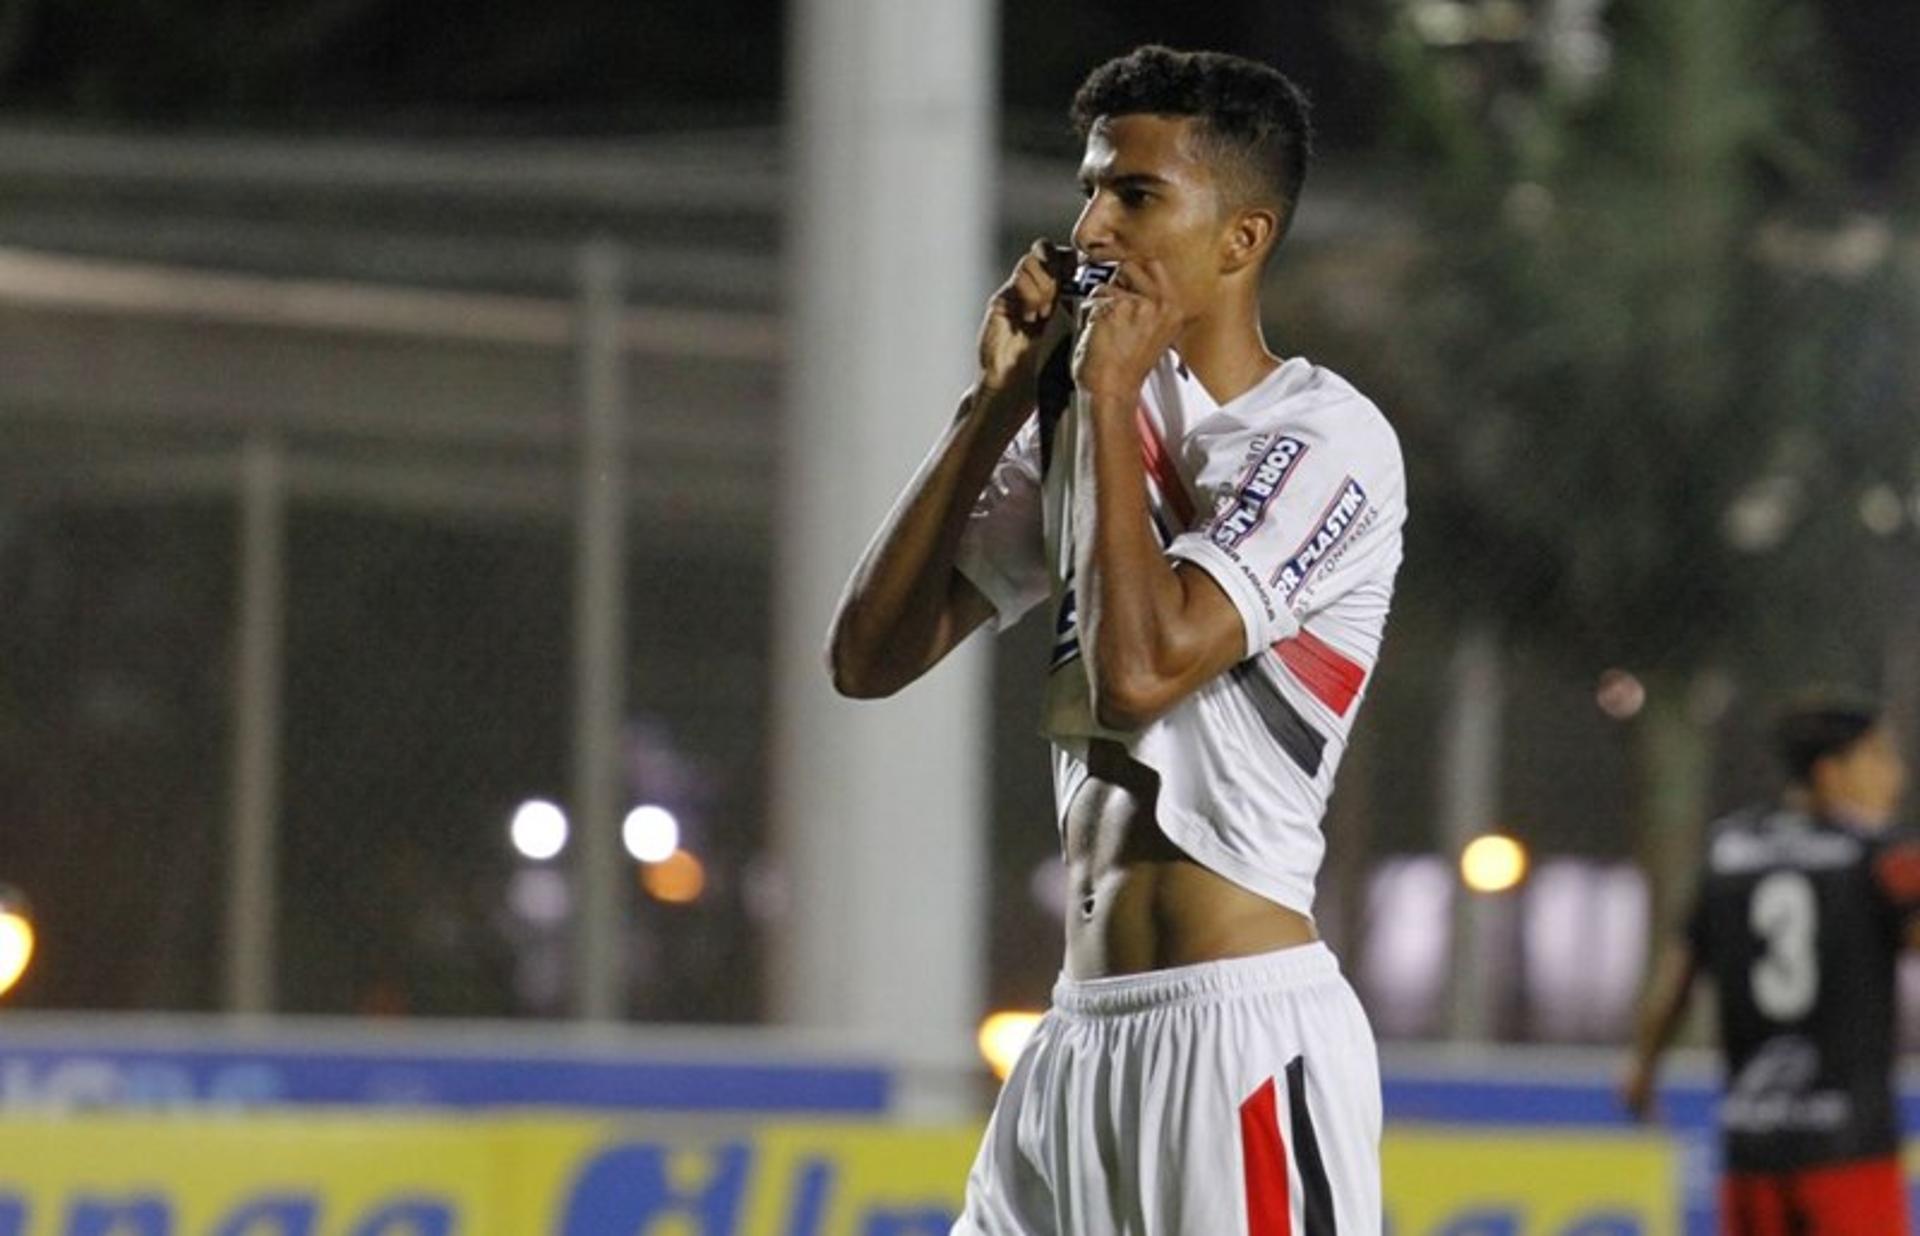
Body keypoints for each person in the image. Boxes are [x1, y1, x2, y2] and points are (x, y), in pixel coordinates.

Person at [827, 45, 1405, 1234]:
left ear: (1241, 238)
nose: (1091, 228)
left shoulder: (1325, 436)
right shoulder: (1103, 420)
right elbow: (868, 657)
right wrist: (992, 404)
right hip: (1077, 1043)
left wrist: (1097, 398)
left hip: (1236, 1030)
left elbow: (1138, 675)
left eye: (1136, 196)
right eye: (1089, 188)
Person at [1622, 694, 1917, 1235]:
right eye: (1880, 759)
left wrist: (1643, 1068)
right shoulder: (1880, 856)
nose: (1895, 777)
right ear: (1831, 773)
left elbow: (1678, 977)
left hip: (1751, 1147)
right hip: (1850, 1150)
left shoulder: (1729, 849)